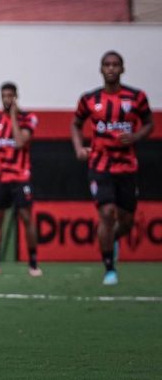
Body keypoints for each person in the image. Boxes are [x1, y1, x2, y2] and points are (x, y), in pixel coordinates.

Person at [70, 51, 153, 286]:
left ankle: (113, 239)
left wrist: (136, 135)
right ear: (101, 69)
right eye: (107, 64)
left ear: (122, 69)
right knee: (106, 213)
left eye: (115, 65)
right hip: (100, 164)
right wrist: (79, 147)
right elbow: (76, 124)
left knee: (126, 220)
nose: (111, 69)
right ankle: (109, 268)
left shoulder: (137, 97)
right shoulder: (89, 99)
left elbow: (150, 123)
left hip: (127, 167)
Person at [0, 82, 41, 277]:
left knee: (27, 218)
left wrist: (13, 115)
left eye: (10, 96)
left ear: (16, 97)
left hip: (21, 177)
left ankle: (33, 263)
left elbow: (20, 142)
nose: (7, 99)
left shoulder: (29, 118)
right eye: (4, 96)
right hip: (0, 178)